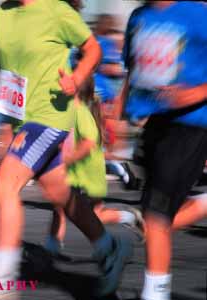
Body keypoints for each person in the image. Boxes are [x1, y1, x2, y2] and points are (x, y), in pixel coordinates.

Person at [0, 0, 132, 298]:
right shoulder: (4, 13)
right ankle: (110, 247)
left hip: (49, 115)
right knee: (61, 194)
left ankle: (2, 276)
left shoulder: (56, 11)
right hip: (21, 117)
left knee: (5, 184)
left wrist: (76, 79)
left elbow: (93, 50)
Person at [117, 2, 207, 299]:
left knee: (156, 212)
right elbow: (133, 68)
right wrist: (120, 109)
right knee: (155, 214)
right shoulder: (138, 17)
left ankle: (155, 293)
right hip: (154, 124)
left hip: (192, 125)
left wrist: (195, 92)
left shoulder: (199, 14)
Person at [45, 77, 144, 258]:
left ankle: (125, 221)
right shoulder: (68, 110)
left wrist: (68, 158)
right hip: (74, 171)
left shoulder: (79, 111)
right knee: (62, 208)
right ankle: (52, 249)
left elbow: (89, 142)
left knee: (88, 215)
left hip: (84, 173)